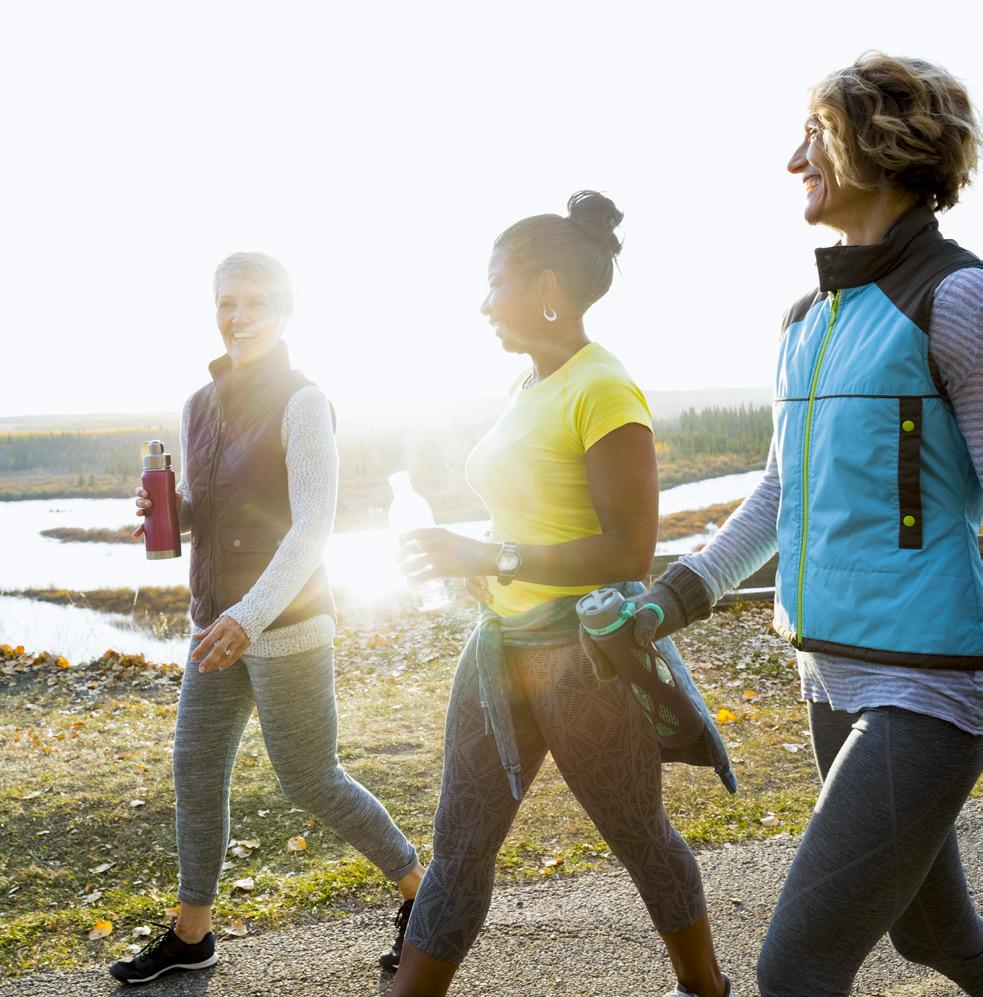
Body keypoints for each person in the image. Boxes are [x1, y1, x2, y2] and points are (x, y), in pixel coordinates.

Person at [594, 54, 983, 997]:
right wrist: (665, 601)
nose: (792, 159)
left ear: (881, 143)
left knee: (795, 968)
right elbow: (779, 494)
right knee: (934, 937)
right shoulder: (805, 318)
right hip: (830, 674)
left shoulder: (956, 300)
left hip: (927, 685)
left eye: (813, 134)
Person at [391, 192, 736, 997]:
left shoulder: (603, 386)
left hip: (585, 656)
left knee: (637, 836)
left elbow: (629, 548)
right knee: (460, 845)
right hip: (499, 649)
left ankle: (705, 989)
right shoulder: (528, 382)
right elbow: (536, 511)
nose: (482, 303)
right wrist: (483, 563)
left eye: (495, 282)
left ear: (545, 283)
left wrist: (488, 551)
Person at [109, 252, 426, 984]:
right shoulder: (198, 404)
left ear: (282, 311)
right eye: (226, 301)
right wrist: (168, 512)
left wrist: (250, 617)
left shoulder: (304, 401)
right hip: (213, 624)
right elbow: (216, 504)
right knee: (194, 769)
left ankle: (421, 892)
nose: (237, 315)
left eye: (253, 302)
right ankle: (193, 934)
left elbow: (311, 526)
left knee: (310, 779)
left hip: (284, 627)